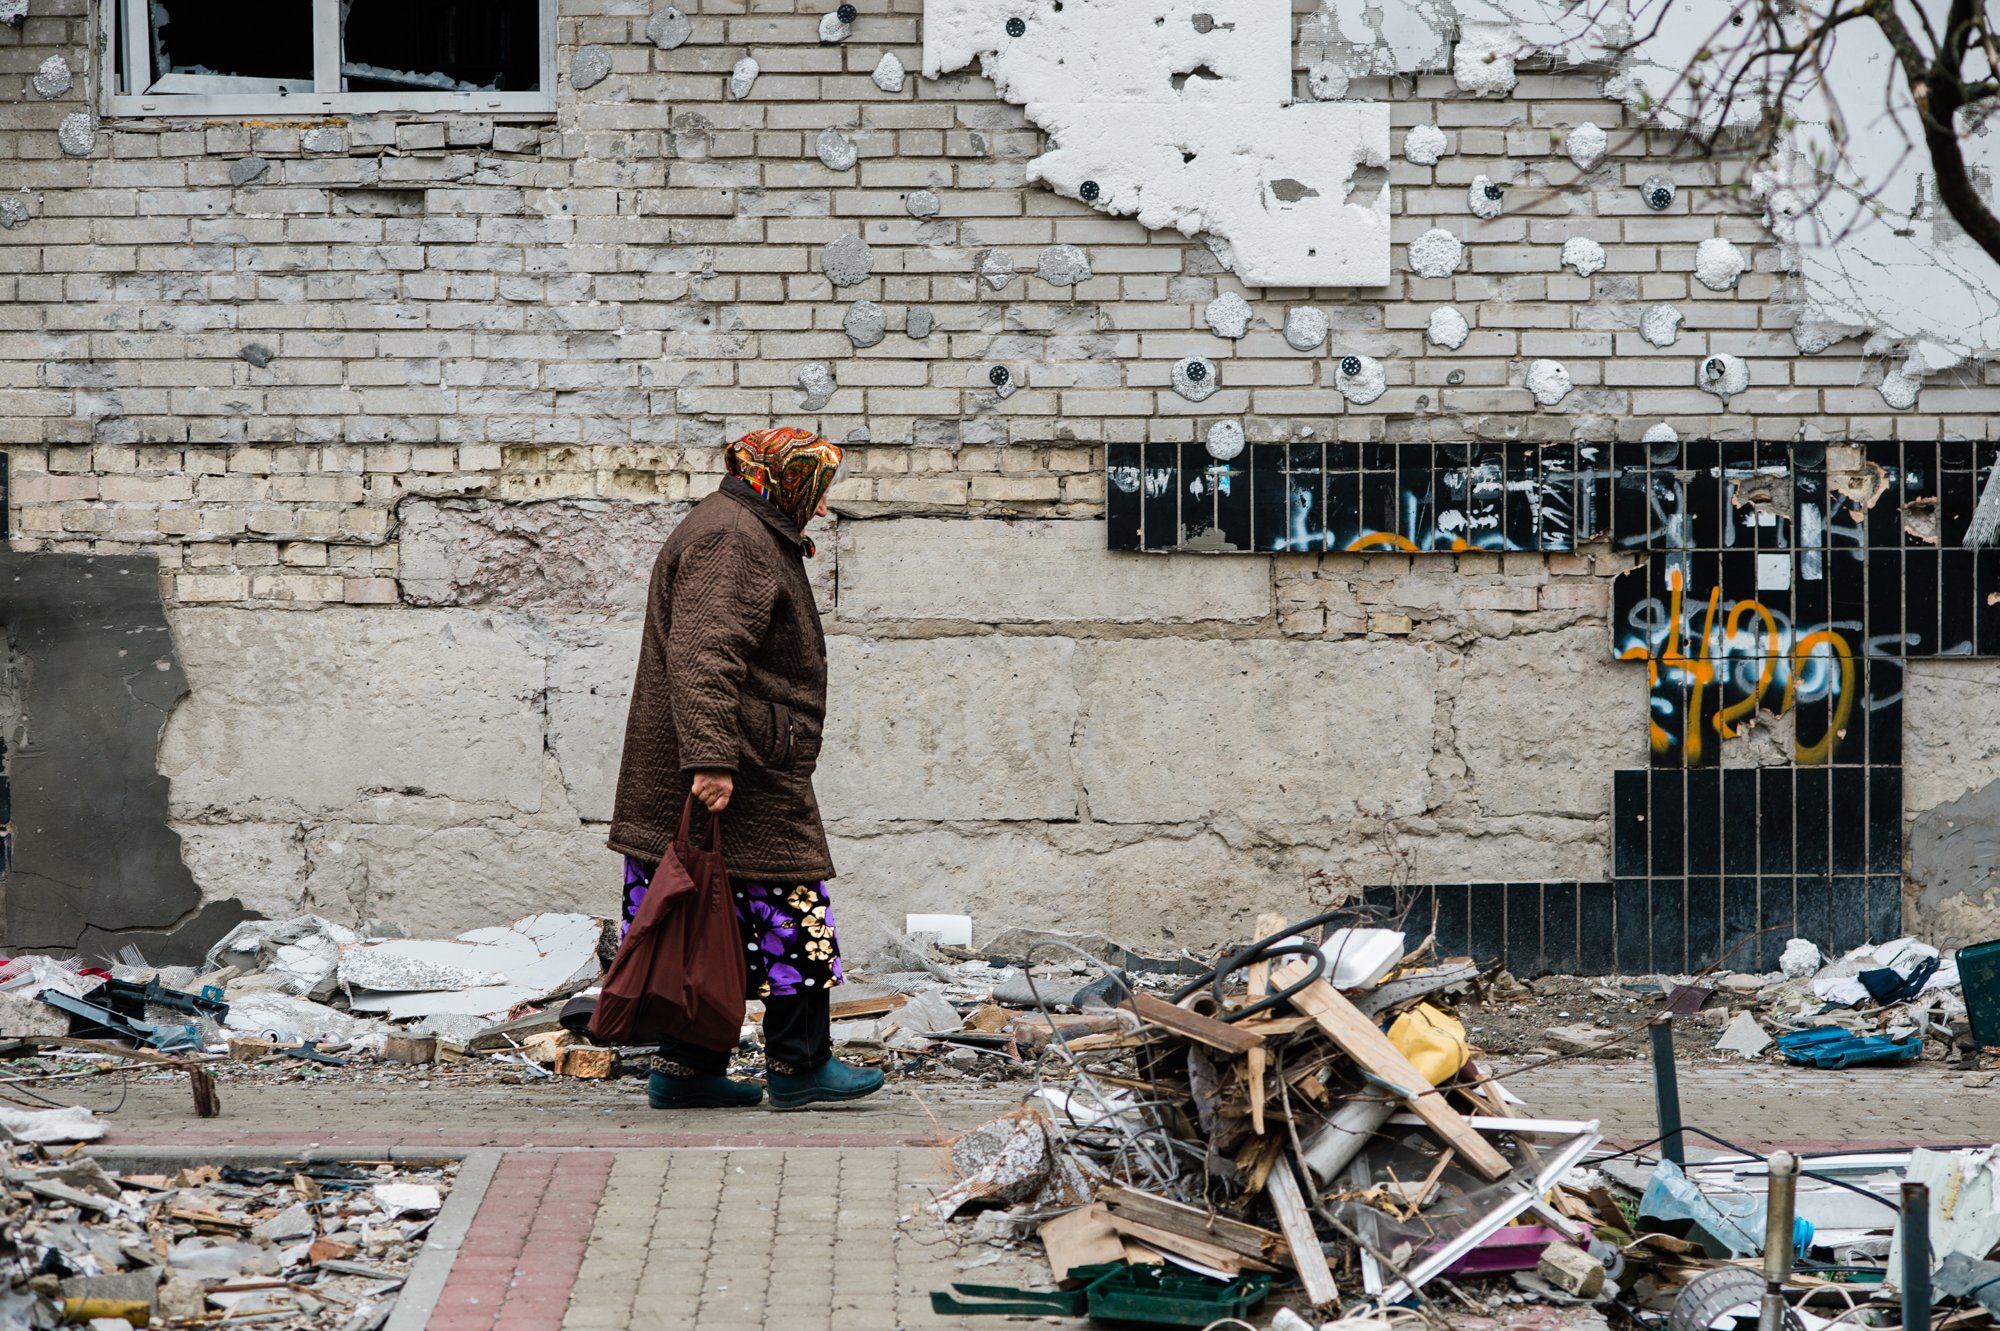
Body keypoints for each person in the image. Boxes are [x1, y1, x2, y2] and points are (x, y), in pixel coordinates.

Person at [607, 427, 884, 1111]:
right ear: (782, 480)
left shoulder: (742, 525)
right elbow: (705, 657)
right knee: (792, 909)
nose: (820, 509)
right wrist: (711, 761)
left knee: (711, 921)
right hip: (741, 769)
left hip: (744, 760)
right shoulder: (733, 537)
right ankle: (801, 1065)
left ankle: (687, 1069)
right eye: (815, 492)